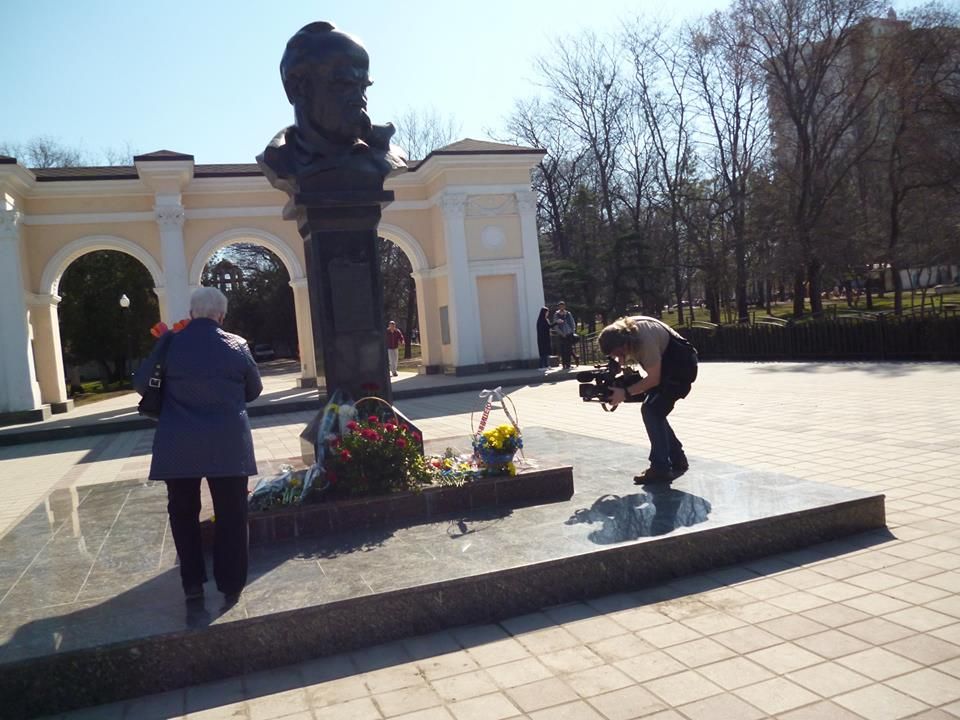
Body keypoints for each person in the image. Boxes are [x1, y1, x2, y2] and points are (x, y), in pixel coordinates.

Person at [134, 287, 263, 604]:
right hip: (228, 443)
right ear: (221, 315)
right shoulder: (237, 345)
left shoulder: (171, 344)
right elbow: (254, 389)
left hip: (179, 442)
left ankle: (192, 581)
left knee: (183, 511)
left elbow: (142, 384)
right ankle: (231, 583)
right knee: (232, 513)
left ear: (191, 314)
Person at [257, 21, 406, 197]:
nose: (361, 99)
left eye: (363, 87)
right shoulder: (279, 160)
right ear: (296, 88)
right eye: (344, 85)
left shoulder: (385, 155)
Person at [598, 315, 698, 484]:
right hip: (669, 367)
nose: (618, 357)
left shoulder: (644, 339)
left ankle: (660, 468)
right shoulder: (626, 332)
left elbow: (654, 379)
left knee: (651, 410)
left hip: (681, 368)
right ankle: (677, 458)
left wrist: (625, 393)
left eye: (618, 353)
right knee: (655, 409)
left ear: (623, 344)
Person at [552, 301, 577, 369]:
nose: (561, 307)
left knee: (569, 349)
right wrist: (561, 333)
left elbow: (572, 322)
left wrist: (572, 331)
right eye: (560, 306)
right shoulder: (556, 314)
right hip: (561, 334)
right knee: (563, 350)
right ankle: (564, 364)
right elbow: (555, 325)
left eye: (562, 306)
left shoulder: (568, 313)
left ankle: (568, 364)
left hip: (569, 333)